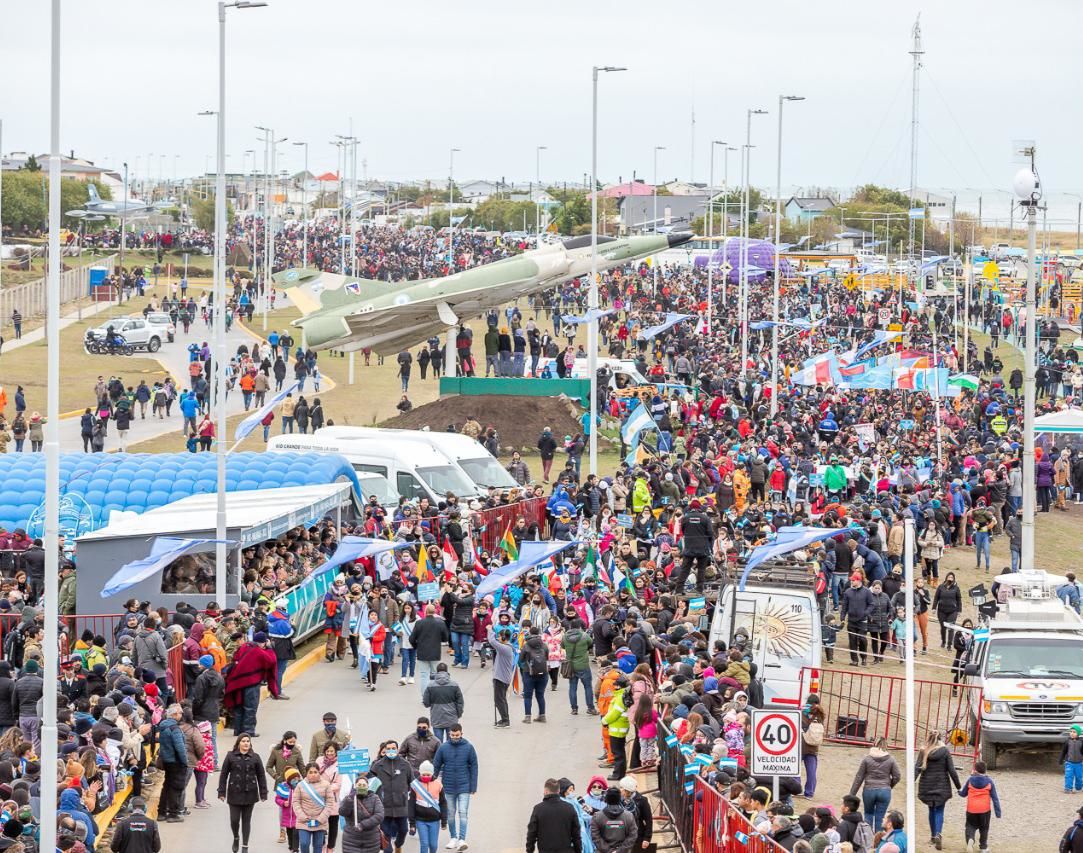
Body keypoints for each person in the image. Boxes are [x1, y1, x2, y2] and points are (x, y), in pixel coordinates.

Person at [218, 732, 268, 853]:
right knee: (234, 820)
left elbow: (261, 775)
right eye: (243, 741)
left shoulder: (255, 757)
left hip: (250, 793)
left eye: (248, 741)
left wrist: (263, 793)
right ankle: (236, 837)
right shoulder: (230, 756)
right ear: (238, 743)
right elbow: (224, 774)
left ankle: (245, 846)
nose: (246, 743)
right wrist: (221, 792)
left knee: (246, 820)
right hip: (234, 793)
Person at [432, 723, 478, 851]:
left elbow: (474, 766)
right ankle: (453, 838)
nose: (455, 737)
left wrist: (473, 786)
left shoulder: (469, 747)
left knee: (463, 812)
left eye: (457, 735)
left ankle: (462, 839)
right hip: (448, 786)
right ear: (449, 735)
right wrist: (432, 781)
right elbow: (436, 765)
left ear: (461, 734)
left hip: (464, 786)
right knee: (450, 814)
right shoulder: (443, 748)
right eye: (452, 735)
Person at [224, 631, 280, 736]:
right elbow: (271, 660)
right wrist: (270, 648)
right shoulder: (259, 651)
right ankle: (249, 731)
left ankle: (238, 730)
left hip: (237, 683)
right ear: (263, 642)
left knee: (239, 706)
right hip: (251, 683)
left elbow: (236, 658)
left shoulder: (245, 646)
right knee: (250, 707)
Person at [916, 730, 960, 850]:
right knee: (940, 810)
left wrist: (911, 782)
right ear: (940, 739)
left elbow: (917, 768)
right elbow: (952, 771)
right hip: (942, 786)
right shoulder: (945, 751)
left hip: (927, 786)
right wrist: (958, 786)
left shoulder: (923, 751)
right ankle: (938, 834)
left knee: (931, 810)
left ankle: (932, 836)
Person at [848, 737, 901, 832]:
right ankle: (878, 840)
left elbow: (859, 777)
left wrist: (852, 794)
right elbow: (897, 776)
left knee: (868, 814)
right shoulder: (891, 760)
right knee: (880, 817)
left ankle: (867, 837)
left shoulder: (867, 759)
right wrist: (889, 786)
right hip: (884, 791)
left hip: (869, 790)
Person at [371, 739, 414, 852]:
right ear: (385, 750)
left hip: (401, 805)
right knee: (386, 834)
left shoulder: (405, 765)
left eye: (393, 748)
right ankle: (388, 849)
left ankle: (398, 845)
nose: (391, 751)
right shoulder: (378, 766)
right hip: (384, 806)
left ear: (397, 749)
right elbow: (370, 783)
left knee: (404, 830)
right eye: (388, 749)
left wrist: (403, 793)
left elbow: (411, 782)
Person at [526, 777, 582, 853]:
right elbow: (576, 835)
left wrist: (529, 850)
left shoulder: (538, 809)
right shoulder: (569, 808)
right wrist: (578, 850)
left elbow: (531, 834)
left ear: (545, 791)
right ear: (558, 791)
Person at [958, 759, 1001, 853]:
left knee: (970, 826)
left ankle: (970, 839)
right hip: (985, 810)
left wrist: (959, 791)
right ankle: (983, 847)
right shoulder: (989, 781)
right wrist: (998, 813)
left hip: (971, 809)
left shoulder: (970, 780)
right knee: (984, 828)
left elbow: (963, 794)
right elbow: (995, 798)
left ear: (975, 769)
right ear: (985, 770)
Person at [157, 704, 188, 824]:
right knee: (176, 788)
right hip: (176, 762)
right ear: (174, 714)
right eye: (180, 713)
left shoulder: (164, 726)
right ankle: (173, 814)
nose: (181, 715)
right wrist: (185, 762)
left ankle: (161, 812)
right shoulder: (175, 729)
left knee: (167, 787)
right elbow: (180, 748)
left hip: (167, 761)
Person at [408, 759, 448, 853]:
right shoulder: (415, 785)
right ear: (420, 773)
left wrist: (444, 821)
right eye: (423, 775)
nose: (426, 777)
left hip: (434, 820)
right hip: (420, 820)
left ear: (432, 774)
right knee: (424, 843)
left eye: (428, 775)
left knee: (433, 845)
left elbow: (443, 803)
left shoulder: (438, 784)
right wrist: (412, 823)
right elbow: (411, 805)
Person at [410, 604, 450, 694]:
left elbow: (412, 638)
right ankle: (434, 695)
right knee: (435, 674)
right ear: (435, 611)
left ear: (425, 611)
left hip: (422, 651)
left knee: (424, 675)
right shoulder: (440, 623)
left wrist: (416, 646)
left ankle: (424, 696)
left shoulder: (419, 623)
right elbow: (446, 638)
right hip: (435, 651)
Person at [339, 774, 385, 853]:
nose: (361, 786)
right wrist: (350, 799)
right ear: (355, 786)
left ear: (368, 786)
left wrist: (362, 825)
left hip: (371, 840)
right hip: (351, 840)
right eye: (359, 785)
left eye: (364, 785)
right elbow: (342, 812)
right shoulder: (349, 798)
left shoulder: (374, 798)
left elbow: (379, 815)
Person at [293, 762, 333, 853]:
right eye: (310, 772)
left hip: (320, 821)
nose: (313, 774)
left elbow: (330, 803)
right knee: (304, 843)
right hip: (304, 821)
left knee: (318, 846)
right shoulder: (300, 785)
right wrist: (303, 817)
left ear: (319, 772)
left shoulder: (326, 785)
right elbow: (295, 802)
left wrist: (321, 818)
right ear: (306, 774)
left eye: (315, 772)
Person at [562, 617, 598, 716]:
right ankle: (590, 708)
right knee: (587, 687)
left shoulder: (565, 637)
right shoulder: (584, 636)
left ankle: (574, 709)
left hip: (571, 666)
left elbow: (562, 646)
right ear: (579, 627)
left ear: (570, 627)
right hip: (583, 665)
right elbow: (591, 643)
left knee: (572, 687)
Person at [422, 663, 464, 741]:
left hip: (436, 718)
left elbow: (426, 703)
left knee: (438, 744)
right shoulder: (454, 685)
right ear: (447, 672)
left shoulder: (430, 686)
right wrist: (459, 714)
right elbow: (460, 702)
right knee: (451, 743)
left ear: (437, 672)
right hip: (451, 718)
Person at [589, 787, 636, 853]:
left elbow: (596, 837)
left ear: (606, 799)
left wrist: (609, 851)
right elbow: (632, 836)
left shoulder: (597, 816)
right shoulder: (629, 816)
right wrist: (619, 851)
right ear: (620, 799)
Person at [488, 623, 516, 728]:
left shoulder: (505, 648)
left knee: (499, 700)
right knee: (501, 699)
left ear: (504, 637)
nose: (498, 638)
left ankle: (505, 720)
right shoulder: (506, 647)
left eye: (499, 636)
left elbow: (492, 641)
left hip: (501, 678)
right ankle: (504, 718)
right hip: (501, 677)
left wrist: (490, 630)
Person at [618, 776, 652, 852]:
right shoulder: (619, 799)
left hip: (637, 837)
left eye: (621, 788)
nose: (620, 790)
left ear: (627, 790)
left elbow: (648, 820)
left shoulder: (642, 801)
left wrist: (647, 838)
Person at [1063, 724, 1083, 793]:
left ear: (1078, 733)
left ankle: (1079, 787)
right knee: (1068, 776)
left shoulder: (1081, 742)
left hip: (1079, 763)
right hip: (1069, 762)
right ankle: (1068, 788)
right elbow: (1064, 751)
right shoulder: (1067, 741)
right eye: (1071, 731)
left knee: (1079, 777)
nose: (1072, 733)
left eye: (1074, 732)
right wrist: (1061, 759)